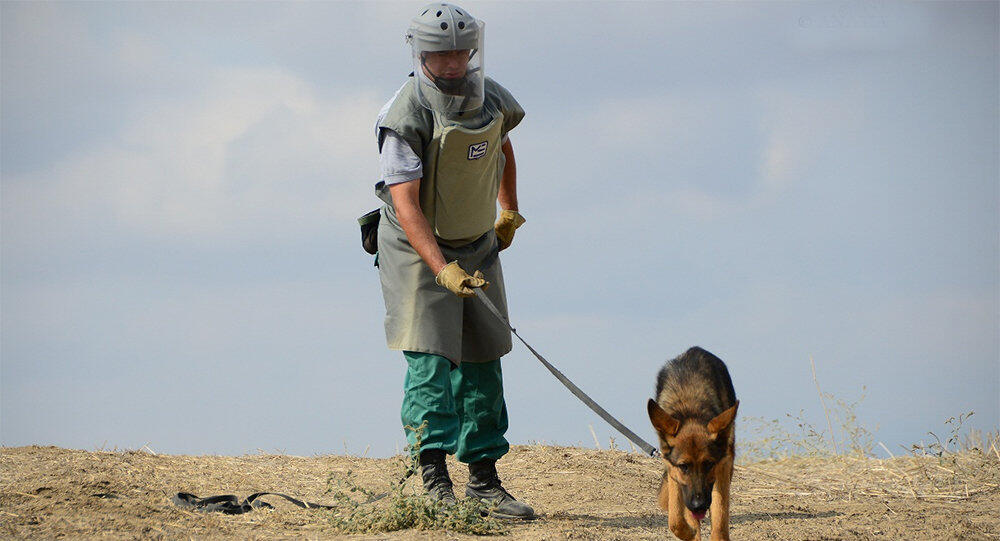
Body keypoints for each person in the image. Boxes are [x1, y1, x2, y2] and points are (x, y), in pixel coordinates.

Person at [371, 2, 533, 520]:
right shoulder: (406, 114)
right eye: (443, 53)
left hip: (476, 238)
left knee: (485, 355)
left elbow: (502, 148)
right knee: (431, 357)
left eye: (464, 50)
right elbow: (405, 202)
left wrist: (508, 210)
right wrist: (440, 267)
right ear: (422, 52)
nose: (455, 61)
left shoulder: (490, 96)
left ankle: (485, 481)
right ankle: (434, 480)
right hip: (418, 247)